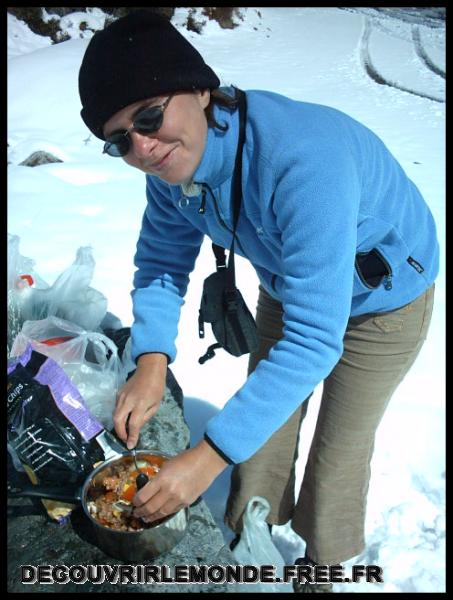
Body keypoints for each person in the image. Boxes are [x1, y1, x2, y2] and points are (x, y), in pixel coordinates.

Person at [78, 10, 439, 592]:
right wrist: (150, 359)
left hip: (386, 301)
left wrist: (203, 460)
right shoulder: (168, 166)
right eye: (120, 140)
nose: (143, 148)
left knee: (339, 447)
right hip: (290, 280)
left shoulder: (303, 161)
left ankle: (319, 567)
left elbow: (315, 341)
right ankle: (251, 548)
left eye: (149, 116)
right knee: (262, 428)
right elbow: (162, 261)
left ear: (200, 88)